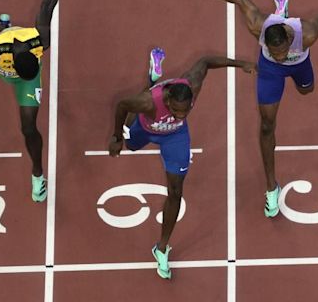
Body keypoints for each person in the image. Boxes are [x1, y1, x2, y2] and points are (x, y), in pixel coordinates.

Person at [195, 0, 318, 218]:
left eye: (283, 50)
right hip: (270, 71)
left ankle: (281, 13)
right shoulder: (257, 26)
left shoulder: (307, 34)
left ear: (289, 39)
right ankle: (271, 188)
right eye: (274, 51)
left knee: (307, 91)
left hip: (299, 64)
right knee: (267, 126)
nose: (280, 55)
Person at [108, 50, 256, 279]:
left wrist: (241, 63)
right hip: (146, 129)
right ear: (168, 101)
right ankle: (152, 80)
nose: (180, 114)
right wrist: (117, 138)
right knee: (130, 142)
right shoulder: (150, 102)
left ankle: (161, 248)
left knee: (175, 192)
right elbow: (122, 105)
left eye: (186, 110)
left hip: (174, 138)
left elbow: (206, 61)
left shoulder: (192, 84)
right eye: (176, 110)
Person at [0, 0, 70, 202]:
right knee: (3, 34)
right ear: (13, 60)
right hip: (3, 64)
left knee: (27, 127)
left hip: (27, 82)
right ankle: (5, 27)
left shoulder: (40, 41)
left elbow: (48, 4)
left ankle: (38, 175)